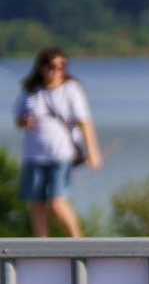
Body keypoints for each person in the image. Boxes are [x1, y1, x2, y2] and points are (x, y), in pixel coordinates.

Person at [15, 48, 100, 238]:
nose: (57, 71)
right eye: (53, 66)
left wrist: (93, 152)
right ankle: (41, 246)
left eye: (62, 66)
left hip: (61, 154)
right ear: (42, 68)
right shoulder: (30, 91)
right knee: (36, 204)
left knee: (57, 203)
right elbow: (17, 118)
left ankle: (78, 243)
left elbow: (85, 122)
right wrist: (23, 121)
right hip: (33, 155)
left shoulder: (71, 89)